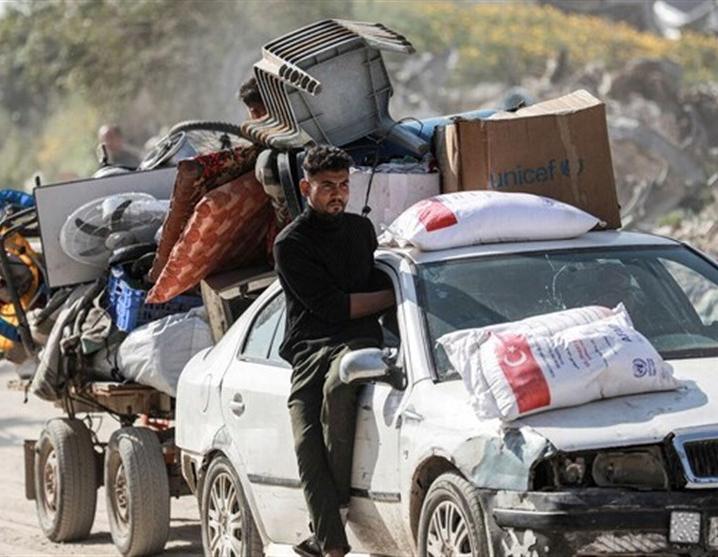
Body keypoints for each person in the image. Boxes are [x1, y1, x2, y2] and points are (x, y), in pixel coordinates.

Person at [273, 145, 394, 557]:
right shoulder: (290, 243)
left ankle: (330, 539)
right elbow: (331, 306)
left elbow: (371, 286)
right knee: (305, 439)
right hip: (309, 348)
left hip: (357, 339)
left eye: (343, 185)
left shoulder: (361, 230)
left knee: (338, 390)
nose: (337, 194)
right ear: (306, 187)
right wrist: (392, 296)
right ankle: (331, 542)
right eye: (327, 186)